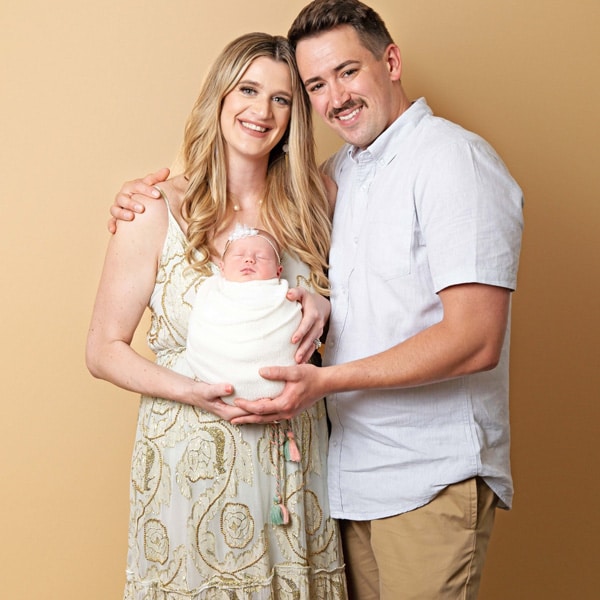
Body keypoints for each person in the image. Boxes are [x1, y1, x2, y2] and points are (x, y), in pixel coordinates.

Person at [109, 1, 524, 598]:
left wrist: (326, 381)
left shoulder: (451, 160)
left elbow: (477, 340)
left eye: (349, 72)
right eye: (316, 85)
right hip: (342, 481)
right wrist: (140, 195)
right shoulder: (332, 180)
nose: (337, 97)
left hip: (429, 472)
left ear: (392, 60)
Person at [87, 32, 347, 599]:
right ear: (220, 98)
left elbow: (370, 316)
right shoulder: (154, 209)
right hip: (191, 460)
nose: (262, 111)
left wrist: (327, 308)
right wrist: (191, 390)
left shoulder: (319, 202)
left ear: (296, 117)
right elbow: (103, 349)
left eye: (282, 99)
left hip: (293, 466)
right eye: (248, 90)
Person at [183, 223, 302, 405]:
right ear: (222, 268)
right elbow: (202, 325)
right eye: (239, 256)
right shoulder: (212, 292)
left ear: (278, 272)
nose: (249, 260)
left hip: (272, 377)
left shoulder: (281, 295)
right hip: (215, 373)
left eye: (261, 258)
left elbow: (292, 324)